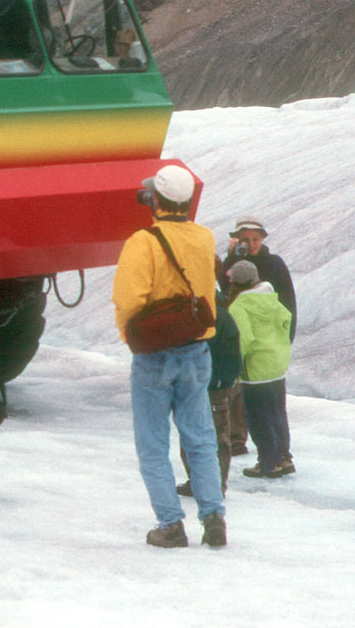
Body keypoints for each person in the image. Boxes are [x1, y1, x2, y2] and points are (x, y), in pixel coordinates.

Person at [113, 164, 226, 548]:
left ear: (155, 200)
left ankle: (171, 524)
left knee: (153, 443)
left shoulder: (142, 241)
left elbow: (129, 300)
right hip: (197, 350)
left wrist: (132, 336)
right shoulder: (205, 237)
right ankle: (213, 516)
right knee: (200, 437)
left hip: (155, 355)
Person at [222, 216, 297, 465]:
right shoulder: (231, 262)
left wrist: (286, 339)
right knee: (252, 401)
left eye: (255, 239)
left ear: (263, 239)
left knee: (259, 408)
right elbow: (225, 287)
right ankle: (240, 441)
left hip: (259, 348)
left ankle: (270, 456)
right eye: (245, 239)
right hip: (268, 351)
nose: (251, 244)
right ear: (237, 240)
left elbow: (288, 303)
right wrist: (232, 258)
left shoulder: (274, 263)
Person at [178, 255, 241, 498]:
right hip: (203, 383)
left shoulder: (210, 309)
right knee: (196, 433)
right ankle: (199, 481)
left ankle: (213, 485)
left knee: (212, 435)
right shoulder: (211, 305)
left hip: (211, 384)